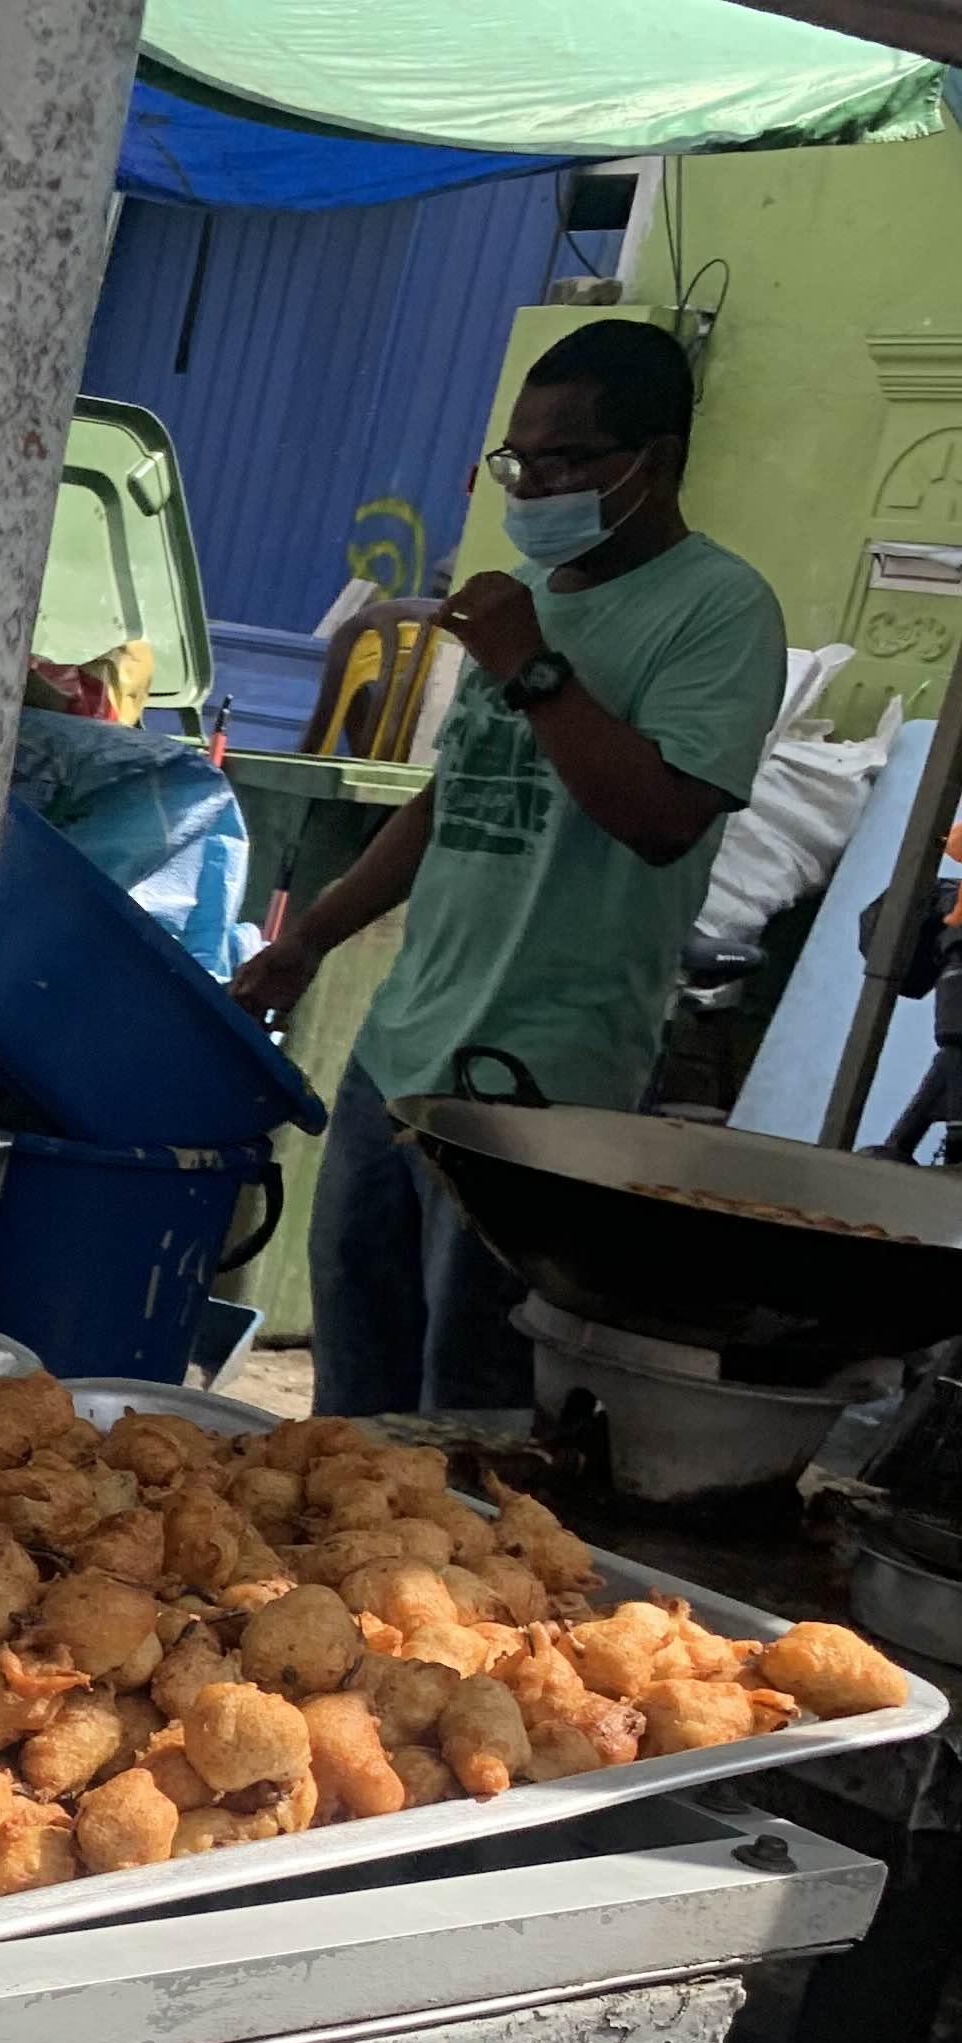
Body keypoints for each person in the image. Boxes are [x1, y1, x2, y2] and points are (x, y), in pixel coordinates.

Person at [236, 318, 783, 1418]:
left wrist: (531, 665)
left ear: (657, 461)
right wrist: (311, 938)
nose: (533, 488)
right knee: (355, 1397)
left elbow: (663, 818)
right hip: (400, 1052)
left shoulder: (719, 611)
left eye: (565, 461)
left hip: (541, 1087)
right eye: (518, 462)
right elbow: (452, 800)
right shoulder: (526, 598)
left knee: (473, 1404)